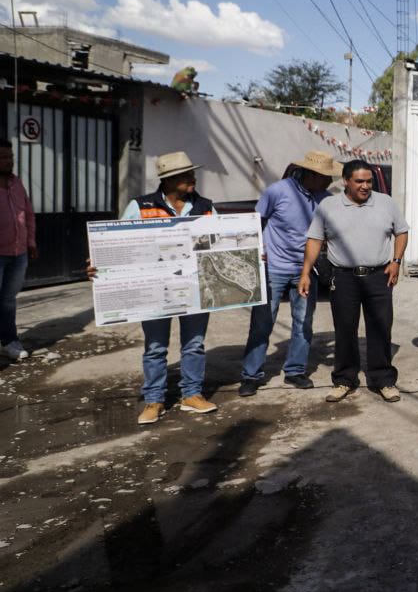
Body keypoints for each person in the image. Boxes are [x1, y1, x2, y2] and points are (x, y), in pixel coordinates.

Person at [299, 160, 408, 403]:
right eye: (359, 181)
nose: (365, 186)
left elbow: (401, 231)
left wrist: (396, 261)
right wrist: (305, 272)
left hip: (379, 276)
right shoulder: (328, 206)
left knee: (381, 327)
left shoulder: (386, 202)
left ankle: (383, 379)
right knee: (345, 329)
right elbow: (315, 239)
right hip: (343, 277)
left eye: (369, 181)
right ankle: (344, 379)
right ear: (345, 181)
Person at [125, 151, 219, 425]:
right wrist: (99, 266)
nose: (193, 178)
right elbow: (119, 244)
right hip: (155, 289)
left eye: (192, 173)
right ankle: (154, 400)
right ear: (168, 180)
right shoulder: (140, 206)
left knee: (194, 344)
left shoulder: (206, 206)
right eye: (186, 175)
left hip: (195, 286)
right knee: (155, 347)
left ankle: (192, 394)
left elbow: (221, 242)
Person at [238, 151, 341, 397]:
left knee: (303, 323)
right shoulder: (277, 191)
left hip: (307, 270)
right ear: (311, 174)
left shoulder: (326, 199)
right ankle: (251, 375)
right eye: (326, 177)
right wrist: (256, 251)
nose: (330, 181)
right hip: (273, 268)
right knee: (262, 323)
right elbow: (255, 222)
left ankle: (295, 371)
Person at [0, 138, 35, 361]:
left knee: (8, 299)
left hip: (18, 253)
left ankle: (9, 341)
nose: (9, 161)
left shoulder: (17, 183)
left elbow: (28, 214)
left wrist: (31, 242)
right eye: (3, 157)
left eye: (10, 157)